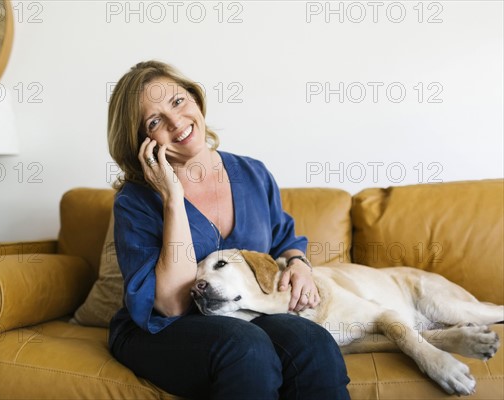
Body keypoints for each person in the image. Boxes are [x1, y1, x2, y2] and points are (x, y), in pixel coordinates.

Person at [107, 60, 350, 399]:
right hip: (161, 331)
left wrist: (298, 265)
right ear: (143, 142)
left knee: (312, 341)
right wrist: (173, 199)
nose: (176, 122)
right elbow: (173, 305)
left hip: (241, 315)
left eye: (178, 102)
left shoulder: (252, 173)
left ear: (195, 99)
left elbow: (285, 240)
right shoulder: (135, 202)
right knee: (246, 349)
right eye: (155, 121)